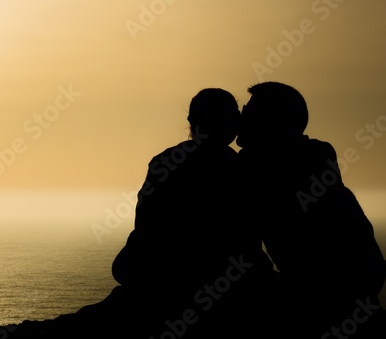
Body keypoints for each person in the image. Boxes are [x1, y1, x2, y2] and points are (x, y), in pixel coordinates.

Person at [237, 82, 386, 321]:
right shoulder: (314, 154)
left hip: (330, 294)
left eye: (249, 111)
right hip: (351, 285)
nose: (241, 117)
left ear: (272, 122)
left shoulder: (266, 165)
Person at [111, 88, 274, 307]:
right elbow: (246, 237)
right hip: (210, 274)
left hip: (158, 271)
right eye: (233, 114)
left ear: (192, 121)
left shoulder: (164, 160)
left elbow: (146, 225)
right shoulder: (239, 166)